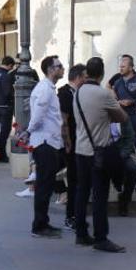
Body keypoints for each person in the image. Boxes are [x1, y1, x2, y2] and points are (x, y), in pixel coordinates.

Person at [73, 57, 129, 252]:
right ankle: (101, 238)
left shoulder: (78, 91)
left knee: (81, 192)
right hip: (99, 151)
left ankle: (80, 233)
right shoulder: (103, 94)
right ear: (102, 73)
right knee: (99, 195)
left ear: (87, 72)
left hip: (81, 150)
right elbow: (123, 117)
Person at [25, 55, 65, 239]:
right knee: (43, 185)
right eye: (59, 66)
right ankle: (39, 226)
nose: (62, 68)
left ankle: (43, 222)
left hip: (49, 141)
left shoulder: (47, 88)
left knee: (46, 184)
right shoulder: (45, 89)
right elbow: (39, 113)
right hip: (45, 142)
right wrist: (29, 131)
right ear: (51, 69)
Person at [58, 64, 86, 230]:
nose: (86, 80)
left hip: (78, 142)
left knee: (77, 180)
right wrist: (68, 142)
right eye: (85, 76)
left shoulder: (76, 93)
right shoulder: (65, 94)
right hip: (72, 144)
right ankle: (71, 216)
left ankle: (75, 214)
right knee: (74, 180)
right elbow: (64, 120)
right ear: (78, 77)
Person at [111, 54, 136, 152]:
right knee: (123, 145)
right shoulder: (117, 82)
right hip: (121, 119)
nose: (121, 68)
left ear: (131, 67)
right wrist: (117, 101)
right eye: (120, 66)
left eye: (123, 66)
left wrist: (132, 102)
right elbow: (113, 97)